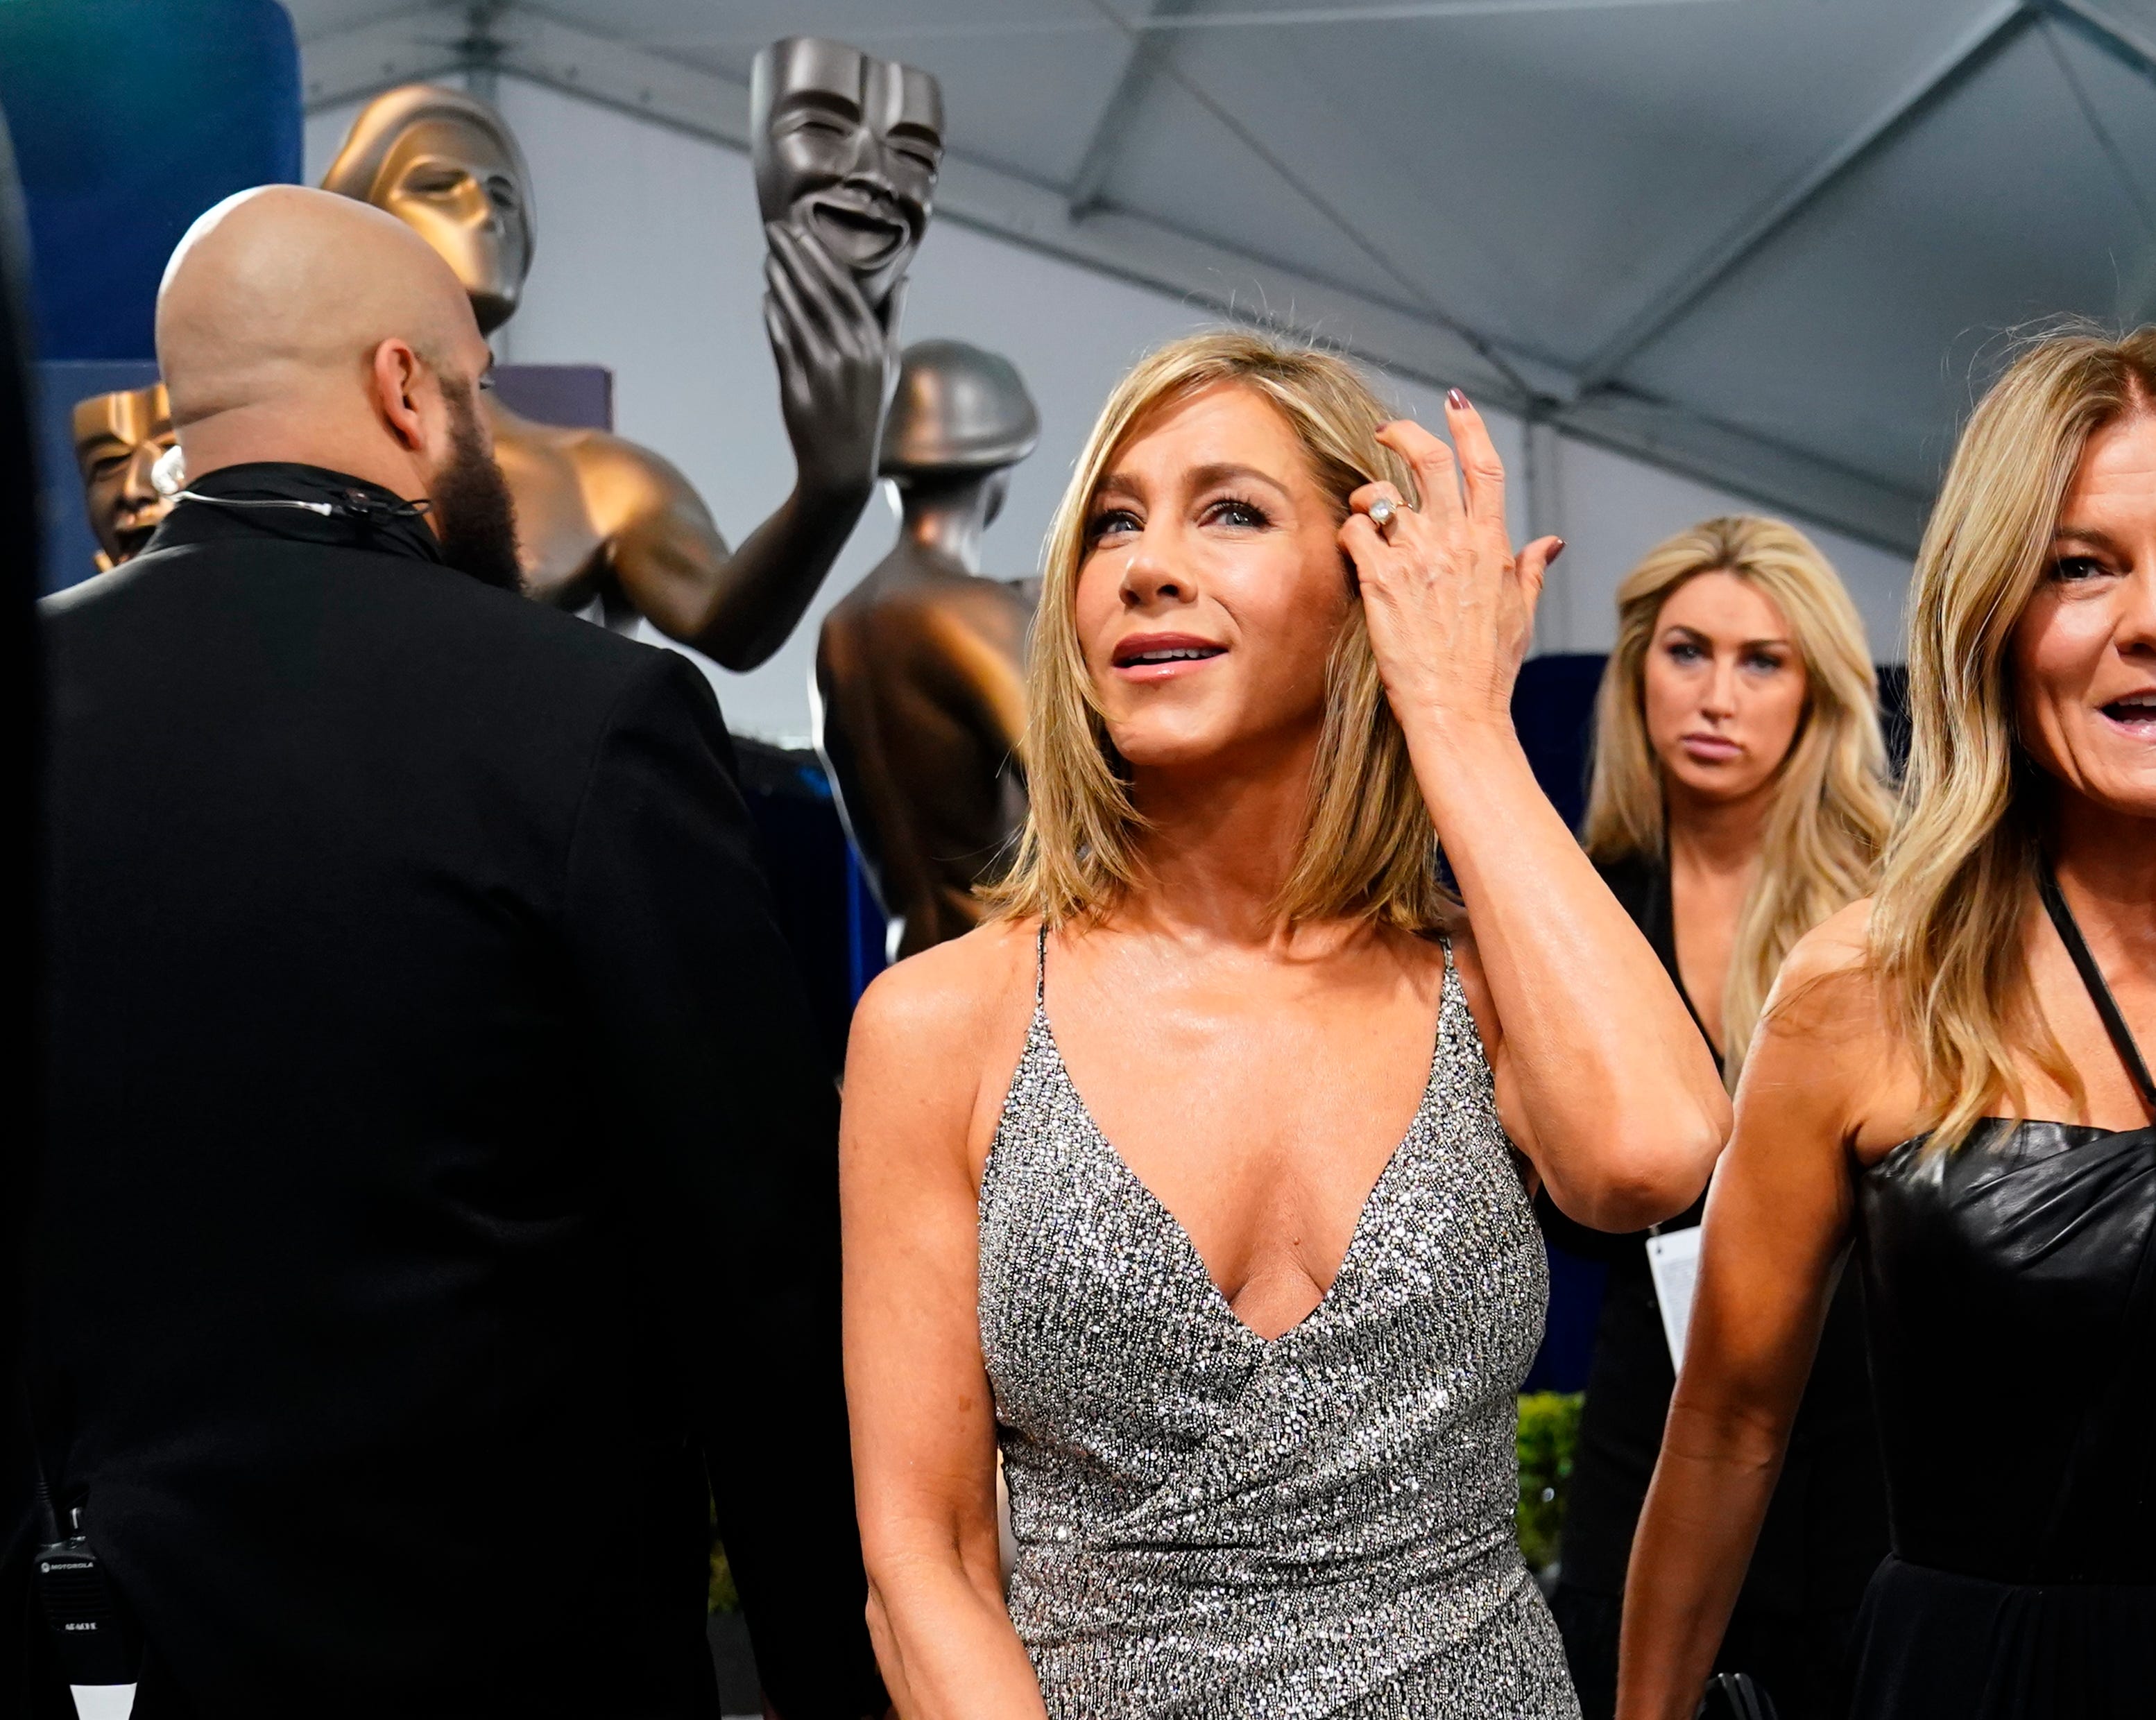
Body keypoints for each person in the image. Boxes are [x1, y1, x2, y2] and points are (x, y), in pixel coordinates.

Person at [32, 185, 885, 1717]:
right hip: (518, 1671)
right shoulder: (583, 721)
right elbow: (754, 1282)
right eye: (480, 397)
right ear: (405, 388)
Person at [839, 330, 1730, 1717]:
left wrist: (1463, 722)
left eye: (1231, 511)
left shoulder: (1483, 988)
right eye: (1114, 523)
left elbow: (1654, 1154)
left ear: (1364, 587)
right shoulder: (943, 1022)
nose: (1147, 563)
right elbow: (924, 1555)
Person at [1616, 326, 2156, 1720]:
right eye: (2082, 565)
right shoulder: (1869, 987)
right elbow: (1731, 1422)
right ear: (1991, 610)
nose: (2147, 618)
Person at [1544, 517, 1894, 1719]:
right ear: (1635, 669)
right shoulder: (1579, 914)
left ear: (1816, 695)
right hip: (1646, 1411)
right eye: (1686, 651)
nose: (1716, 695)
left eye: (1762, 661)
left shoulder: (1894, 919)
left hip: (1863, 1424)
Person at [814, 338, 1041, 961]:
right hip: (1007, 983)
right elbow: (1090, 802)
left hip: (912, 972)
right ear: (999, 469)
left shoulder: (845, 625)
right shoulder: (975, 613)